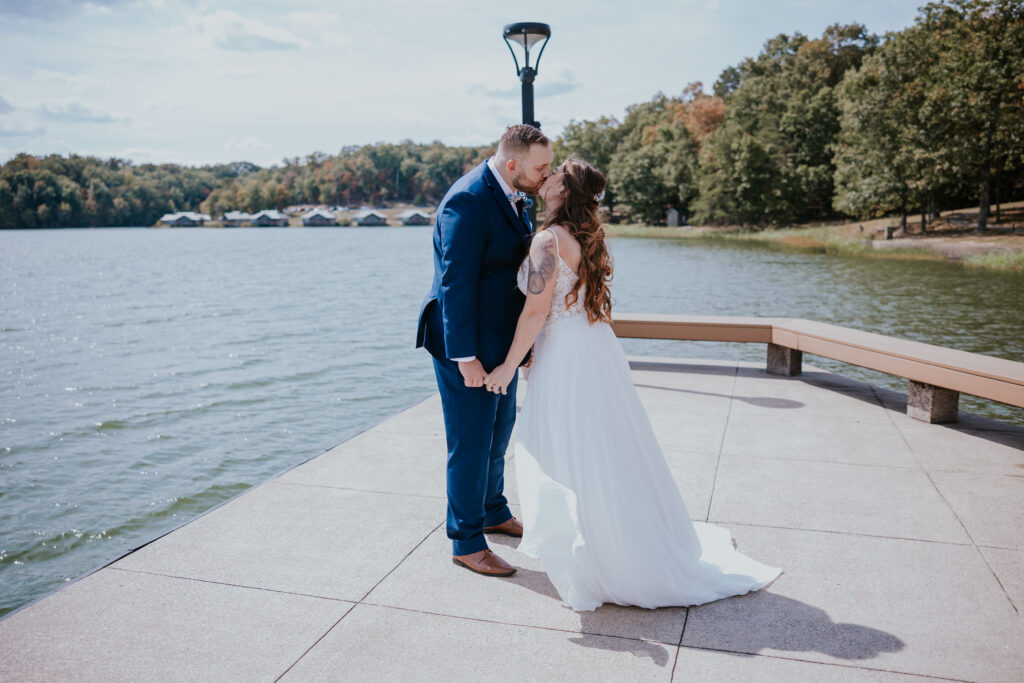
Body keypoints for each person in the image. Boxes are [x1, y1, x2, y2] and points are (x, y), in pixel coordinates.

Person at [483, 158, 781, 610]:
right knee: (604, 447)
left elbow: (535, 312)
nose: (546, 178)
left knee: (569, 449)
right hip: (593, 347)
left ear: (564, 190)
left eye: (554, 174)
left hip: (566, 356)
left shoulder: (547, 240)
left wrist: (507, 364)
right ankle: (611, 542)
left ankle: (599, 554)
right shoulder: (585, 236)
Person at [416, 124, 553, 577]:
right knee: (471, 441)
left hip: (503, 341)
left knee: (499, 430)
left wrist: (522, 345)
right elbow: (455, 284)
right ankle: (467, 541)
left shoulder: (517, 193)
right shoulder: (467, 199)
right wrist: (467, 357)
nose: (546, 175)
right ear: (513, 164)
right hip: (466, 343)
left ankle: (494, 510)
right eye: (541, 167)